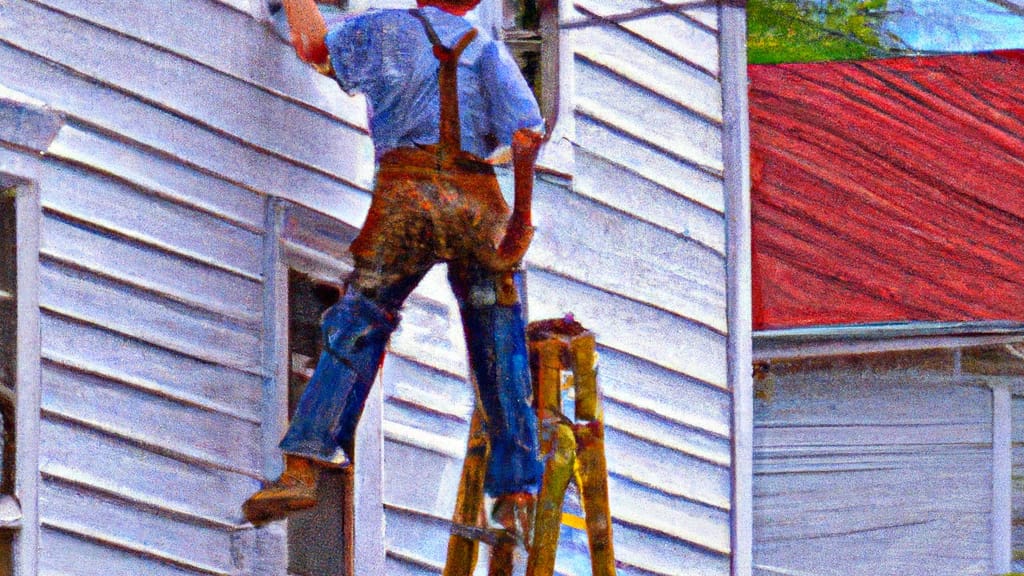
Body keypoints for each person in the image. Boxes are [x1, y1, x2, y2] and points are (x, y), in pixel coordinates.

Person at [242, 0, 547, 542]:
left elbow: (313, 48)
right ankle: (519, 495)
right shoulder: (488, 51)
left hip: (405, 194)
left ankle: (303, 466)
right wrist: (520, 216)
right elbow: (526, 134)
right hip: (478, 202)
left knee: (360, 319)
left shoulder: (384, 30)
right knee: (499, 339)